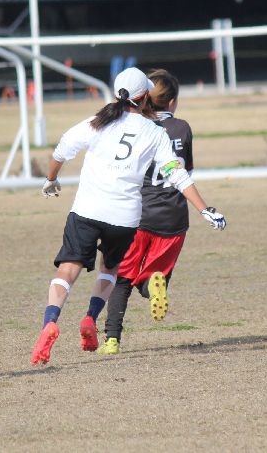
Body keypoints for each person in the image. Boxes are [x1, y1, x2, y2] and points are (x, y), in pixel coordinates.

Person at [32, 67, 226, 365]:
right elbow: (177, 175)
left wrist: (51, 179)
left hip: (87, 210)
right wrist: (205, 209)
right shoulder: (155, 133)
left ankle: (50, 322)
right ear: (145, 96)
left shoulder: (97, 122)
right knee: (110, 270)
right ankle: (90, 318)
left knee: (67, 271)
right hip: (124, 218)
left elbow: (62, 150)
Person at [97, 69, 197, 355]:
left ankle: (112, 339)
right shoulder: (182, 129)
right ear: (172, 102)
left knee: (121, 279)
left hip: (136, 214)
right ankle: (153, 285)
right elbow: (186, 173)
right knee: (155, 276)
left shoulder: (136, 128)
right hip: (173, 217)